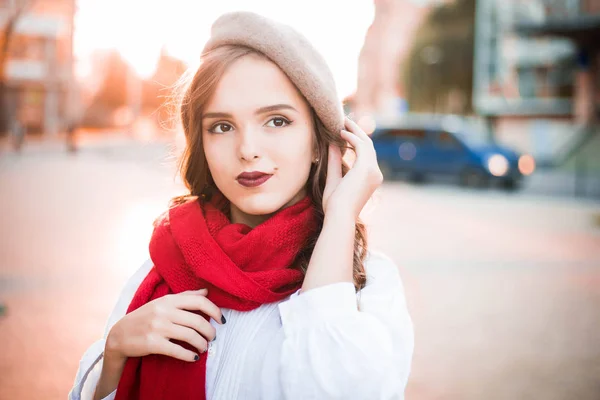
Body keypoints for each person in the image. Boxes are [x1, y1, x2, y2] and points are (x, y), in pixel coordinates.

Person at [69, 11, 414, 400]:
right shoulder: (164, 261)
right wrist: (114, 355)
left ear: (321, 143)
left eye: (277, 121)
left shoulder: (368, 285)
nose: (247, 150)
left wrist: (340, 219)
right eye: (222, 126)